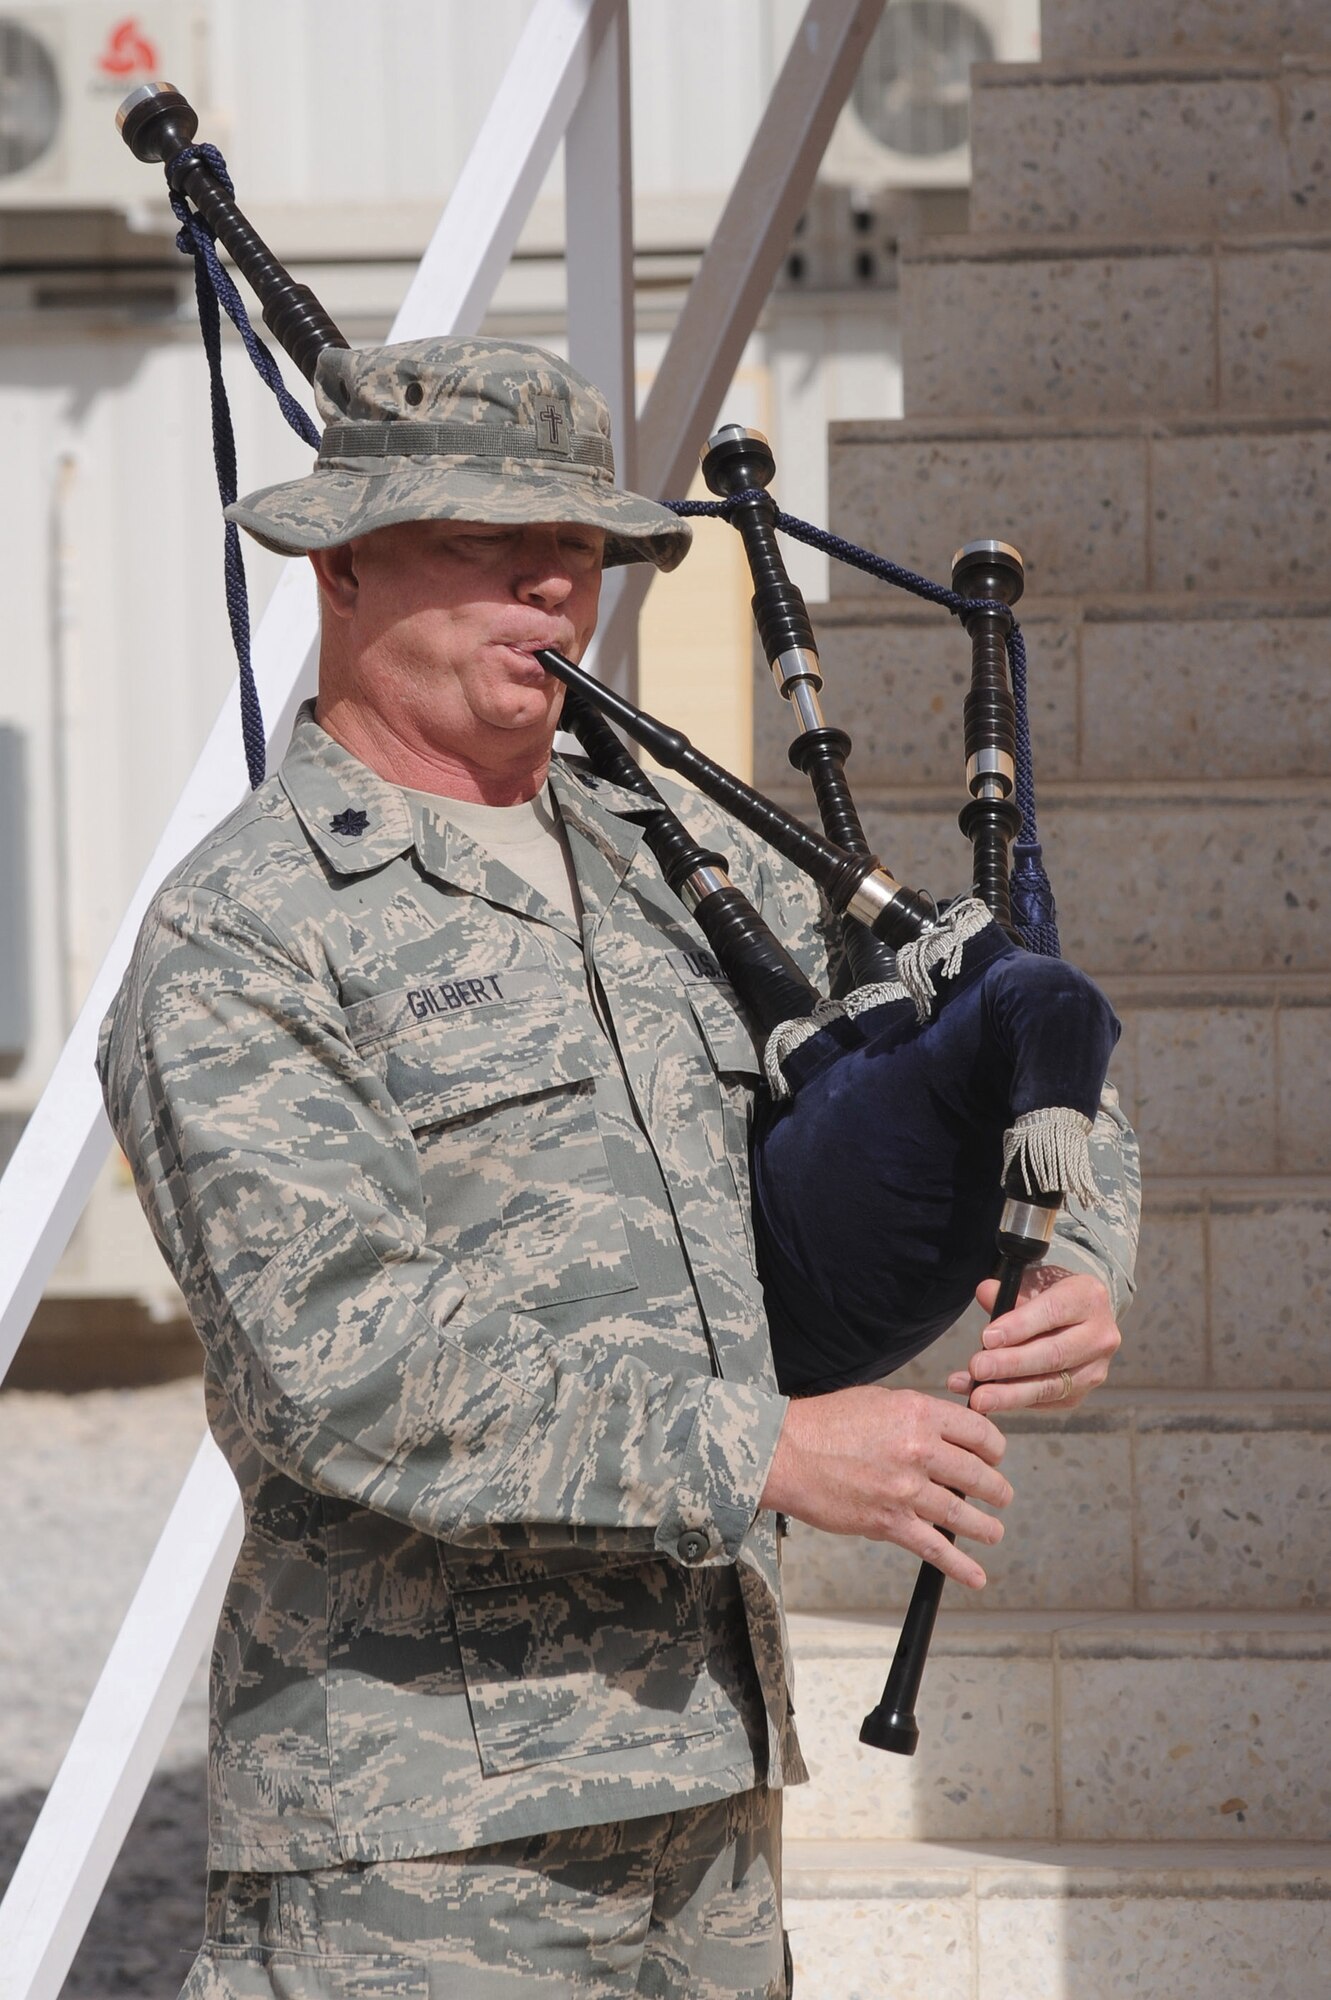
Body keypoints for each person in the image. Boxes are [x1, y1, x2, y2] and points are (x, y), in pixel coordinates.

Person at [98, 336, 1138, 1998]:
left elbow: (1002, 1030)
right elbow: (342, 1361)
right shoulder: (245, 939)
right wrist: (772, 1450)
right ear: (343, 560)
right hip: (417, 1848)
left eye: (577, 546)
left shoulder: (689, 852)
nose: (550, 585)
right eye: (481, 540)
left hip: (711, 1805)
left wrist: (1080, 1247)